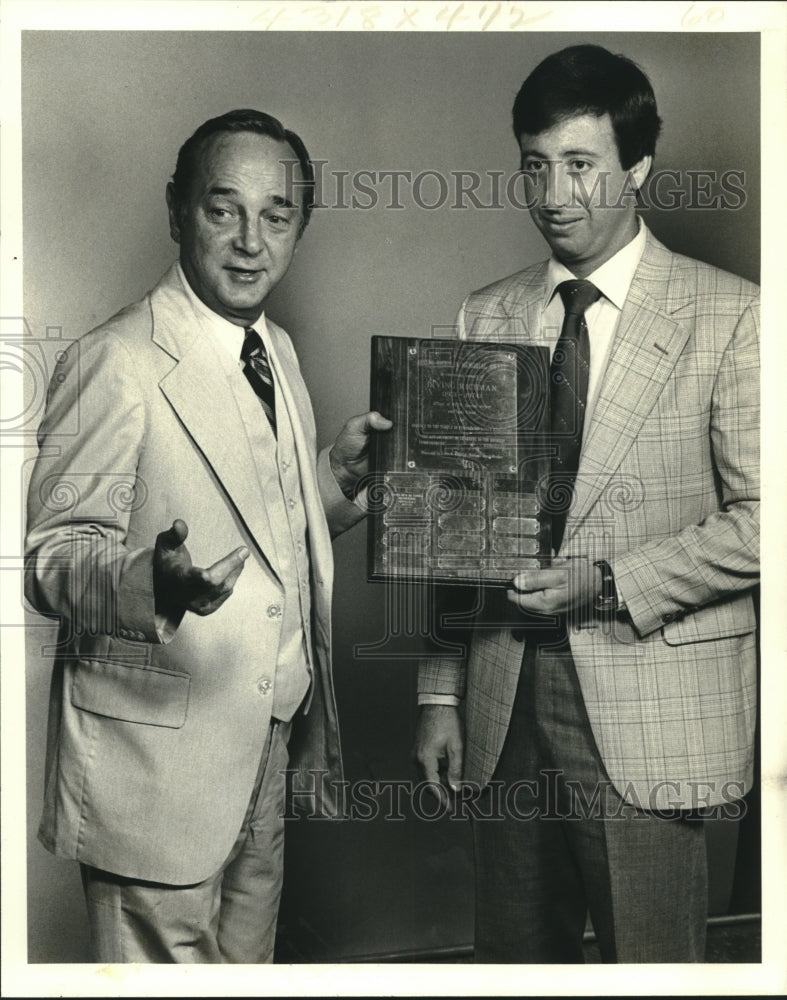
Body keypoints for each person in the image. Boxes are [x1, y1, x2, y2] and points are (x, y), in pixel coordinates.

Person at [414, 45, 759, 963]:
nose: (553, 194)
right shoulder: (481, 315)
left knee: (652, 964)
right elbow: (456, 527)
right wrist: (440, 695)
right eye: (535, 164)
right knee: (515, 963)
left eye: (579, 165)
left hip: (649, 705)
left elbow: (766, 524)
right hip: (501, 700)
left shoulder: (732, 316)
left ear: (636, 167)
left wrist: (602, 584)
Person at [24, 108, 390, 964]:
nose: (250, 241)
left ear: (301, 225)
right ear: (177, 210)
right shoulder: (116, 360)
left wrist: (336, 479)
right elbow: (50, 557)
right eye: (223, 210)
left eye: (277, 215)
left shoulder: (275, 349)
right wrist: (151, 583)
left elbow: (265, 534)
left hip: (266, 744)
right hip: (153, 770)